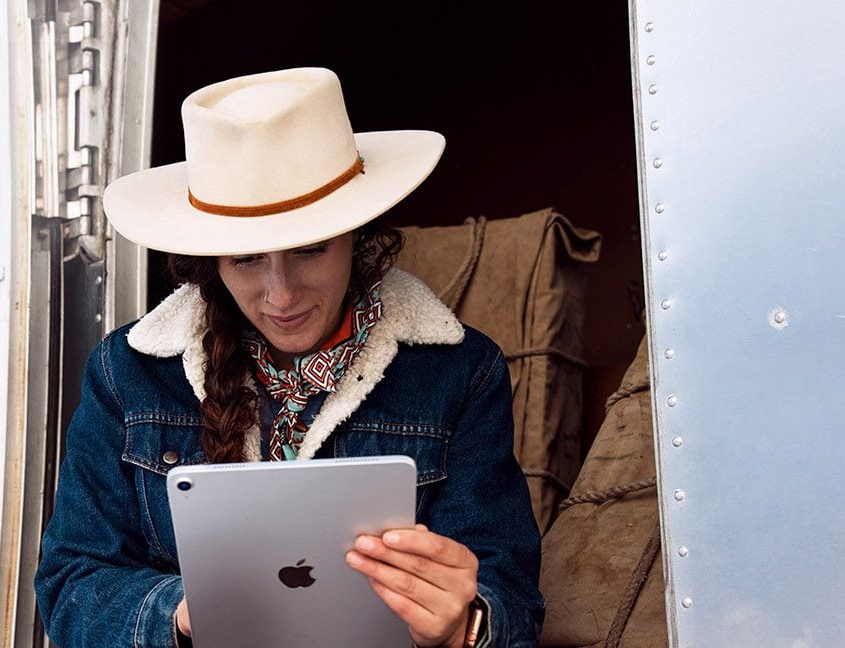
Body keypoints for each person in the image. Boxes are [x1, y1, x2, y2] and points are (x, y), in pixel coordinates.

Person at [34, 68, 542, 647]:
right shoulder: (126, 374)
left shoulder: (460, 373)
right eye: (245, 259)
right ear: (211, 260)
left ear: (358, 233)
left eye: (309, 249)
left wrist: (465, 625)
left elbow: (513, 594)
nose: (281, 295)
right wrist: (181, 614)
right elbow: (69, 583)